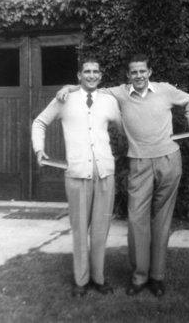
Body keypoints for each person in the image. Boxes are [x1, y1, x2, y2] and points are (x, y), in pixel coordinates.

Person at [57, 53, 189, 297]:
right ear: (128, 75)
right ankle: (139, 277)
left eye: (142, 71)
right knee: (136, 221)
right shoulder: (120, 93)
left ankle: (157, 277)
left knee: (162, 220)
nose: (138, 76)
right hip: (139, 163)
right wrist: (69, 86)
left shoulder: (165, 90)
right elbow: (91, 87)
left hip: (169, 160)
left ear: (150, 72)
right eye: (133, 72)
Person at [32, 58, 123, 298]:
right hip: (77, 174)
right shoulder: (65, 99)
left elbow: (125, 130)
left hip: (105, 173)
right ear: (79, 75)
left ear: (101, 75)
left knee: (101, 230)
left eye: (95, 71)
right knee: (80, 229)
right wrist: (39, 149)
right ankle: (81, 281)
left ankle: (99, 278)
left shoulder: (109, 101)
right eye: (87, 72)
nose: (91, 75)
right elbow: (39, 122)